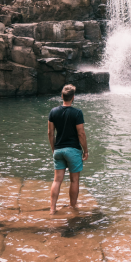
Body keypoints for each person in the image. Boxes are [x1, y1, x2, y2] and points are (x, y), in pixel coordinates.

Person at [48, 84, 89, 215]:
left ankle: (52, 209)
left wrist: (54, 148)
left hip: (58, 150)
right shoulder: (77, 113)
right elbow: (81, 133)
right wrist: (86, 150)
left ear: (62, 97)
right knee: (74, 180)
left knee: (57, 180)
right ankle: (73, 206)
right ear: (73, 97)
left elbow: (50, 133)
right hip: (73, 150)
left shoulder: (53, 112)